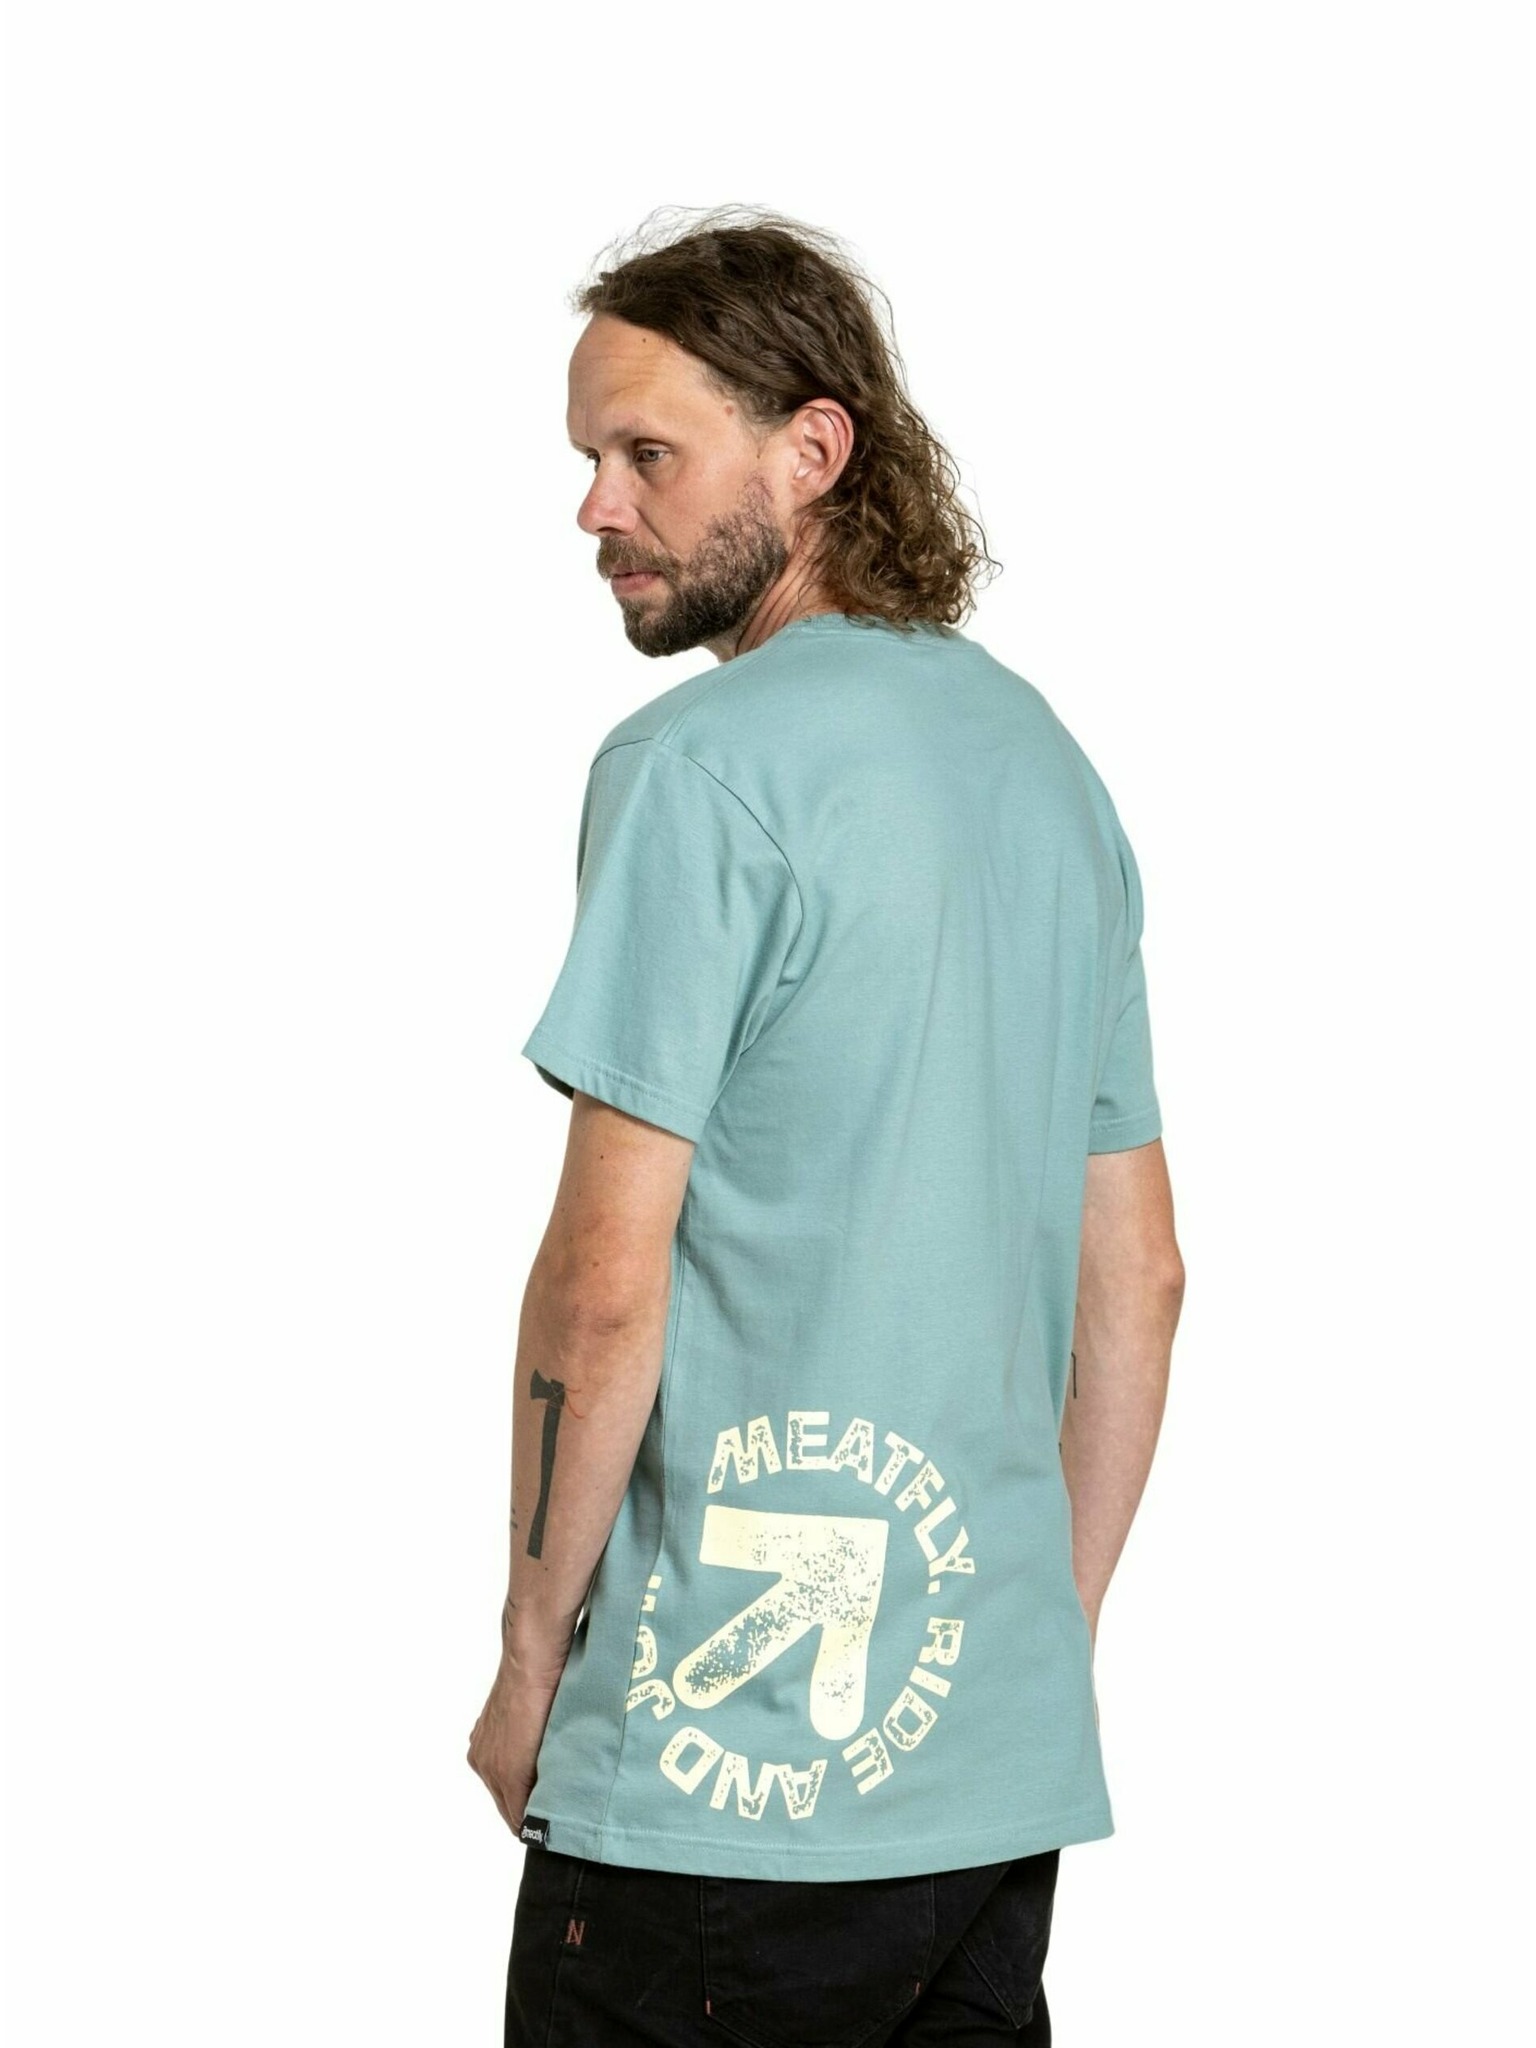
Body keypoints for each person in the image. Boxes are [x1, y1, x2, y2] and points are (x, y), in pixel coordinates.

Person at [468, 205, 1186, 2046]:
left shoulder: (698, 771)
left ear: (813, 448)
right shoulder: (1047, 771)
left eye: (648, 454)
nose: (597, 508)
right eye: (588, 459)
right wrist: (1026, 1650)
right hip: (987, 1781)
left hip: (714, 1788)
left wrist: (532, 1659)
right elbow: (1144, 1281)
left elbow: (603, 1289)